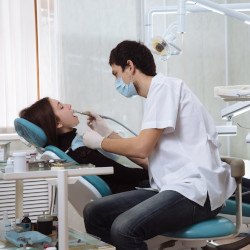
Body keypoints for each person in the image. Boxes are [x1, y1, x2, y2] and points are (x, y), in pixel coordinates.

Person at [82, 40, 236, 250]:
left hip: (197, 192)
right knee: (95, 212)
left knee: (123, 229)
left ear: (130, 66)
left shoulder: (164, 88)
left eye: (116, 73)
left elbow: (140, 147)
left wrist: (101, 142)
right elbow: (146, 159)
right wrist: (106, 132)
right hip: (171, 187)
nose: (117, 81)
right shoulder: (157, 96)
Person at [19, 97, 149, 194]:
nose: (69, 105)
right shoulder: (80, 152)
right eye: (61, 107)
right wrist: (154, 171)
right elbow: (127, 175)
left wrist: (106, 133)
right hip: (133, 192)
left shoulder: (68, 150)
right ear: (57, 123)